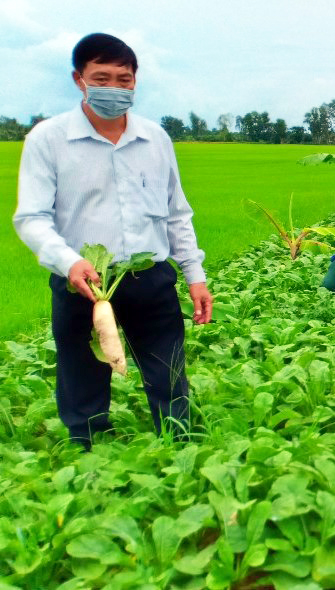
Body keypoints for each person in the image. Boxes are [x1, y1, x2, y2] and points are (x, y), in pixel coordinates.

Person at [13, 33, 213, 450]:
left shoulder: (155, 138)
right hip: (82, 283)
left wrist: (194, 275)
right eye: (101, 77)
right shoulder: (48, 139)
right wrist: (68, 261)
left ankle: (181, 452)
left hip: (150, 277)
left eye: (124, 79)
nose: (115, 87)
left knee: (169, 375)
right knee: (82, 378)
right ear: (78, 79)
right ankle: (89, 456)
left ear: (135, 81)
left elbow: (176, 213)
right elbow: (31, 218)